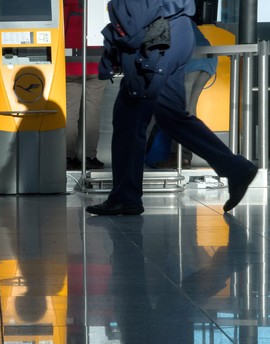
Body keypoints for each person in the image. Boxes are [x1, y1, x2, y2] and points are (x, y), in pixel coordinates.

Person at [86, 0, 258, 215]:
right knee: (171, 115)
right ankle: (237, 168)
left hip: (156, 42)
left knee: (129, 117)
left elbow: (135, 20)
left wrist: (117, 48)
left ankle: (125, 197)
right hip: (172, 37)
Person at [147, 19, 218, 169]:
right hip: (207, 59)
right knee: (188, 110)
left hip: (188, 61)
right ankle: (183, 156)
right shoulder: (178, 12)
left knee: (178, 111)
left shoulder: (156, 14)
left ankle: (180, 157)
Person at [64, 0, 107, 170]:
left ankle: (68, 156)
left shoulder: (63, 5)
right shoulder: (99, 5)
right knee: (92, 111)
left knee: (69, 111)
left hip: (68, 67)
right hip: (96, 66)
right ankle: (89, 156)